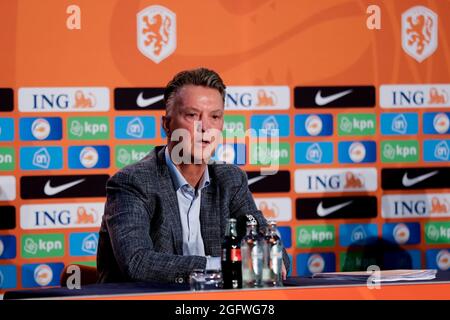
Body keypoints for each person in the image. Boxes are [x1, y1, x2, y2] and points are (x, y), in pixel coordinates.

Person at [97, 67, 289, 284]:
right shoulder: (133, 182)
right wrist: (226, 265)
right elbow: (137, 262)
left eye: (214, 116)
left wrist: (271, 257)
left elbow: (272, 252)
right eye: (192, 115)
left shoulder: (231, 181)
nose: (205, 127)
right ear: (167, 124)